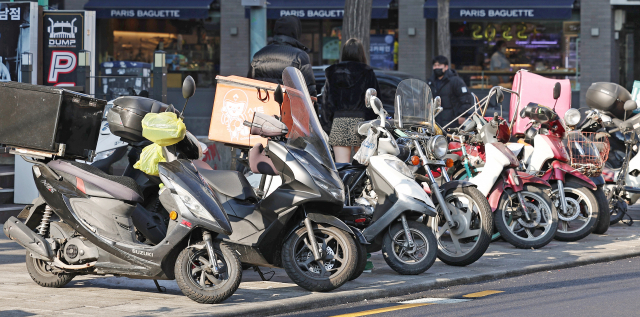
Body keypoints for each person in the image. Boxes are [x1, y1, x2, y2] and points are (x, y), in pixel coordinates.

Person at [321, 38, 379, 164]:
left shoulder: (332, 73)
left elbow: (326, 103)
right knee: (363, 167)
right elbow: (374, 101)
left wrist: (327, 127)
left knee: (341, 167)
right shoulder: (367, 72)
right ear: (361, 53)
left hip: (339, 123)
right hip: (362, 124)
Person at [248, 16, 316, 97]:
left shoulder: (258, 55)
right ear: (296, 31)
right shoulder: (299, 56)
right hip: (289, 108)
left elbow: (249, 86)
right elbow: (310, 93)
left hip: (262, 107)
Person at [427, 55, 474, 128]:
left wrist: (462, 115)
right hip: (436, 122)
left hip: (452, 122)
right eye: (435, 65)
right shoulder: (430, 82)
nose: (436, 68)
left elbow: (466, 99)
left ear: (446, 67)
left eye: (439, 65)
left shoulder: (455, 81)